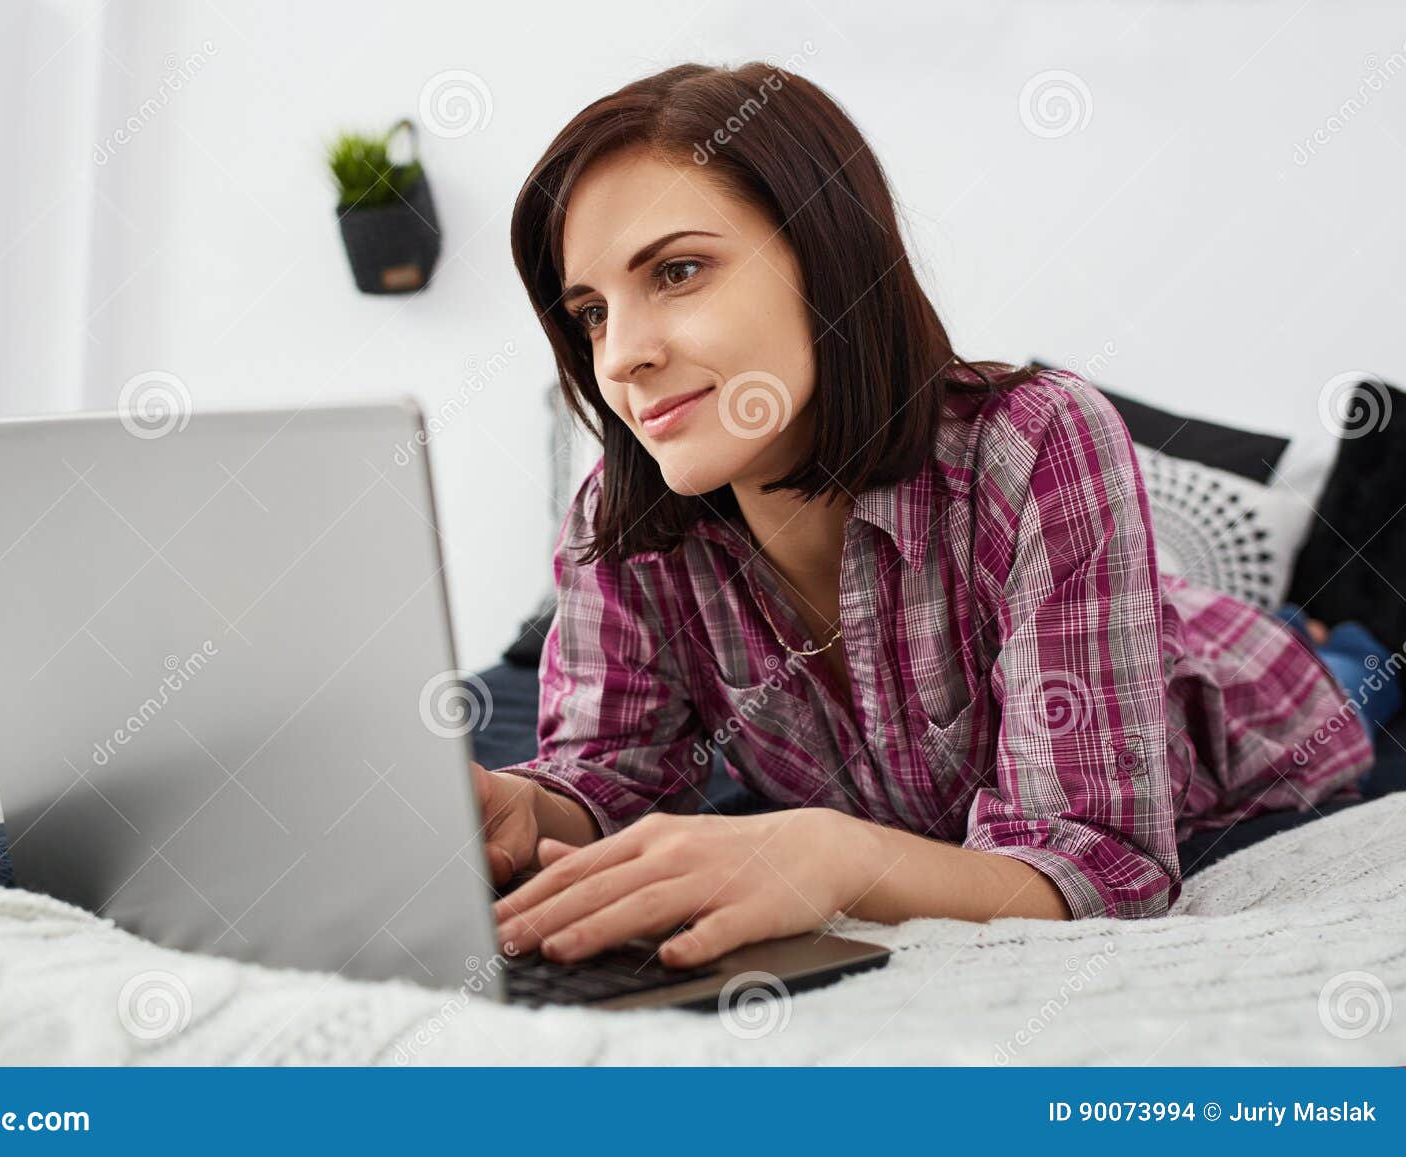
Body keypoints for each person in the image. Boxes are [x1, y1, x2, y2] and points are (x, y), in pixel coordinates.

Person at [471, 62, 1398, 969]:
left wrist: (838, 856)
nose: (622, 355)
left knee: (1350, 661)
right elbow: (610, 773)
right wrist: (528, 807)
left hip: (1257, 693)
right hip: (1132, 641)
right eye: (590, 312)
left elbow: (1103, 862)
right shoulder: (618, 521)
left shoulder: (1033, 440)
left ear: (828, 257)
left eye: (677, 270)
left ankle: (1326, 635)